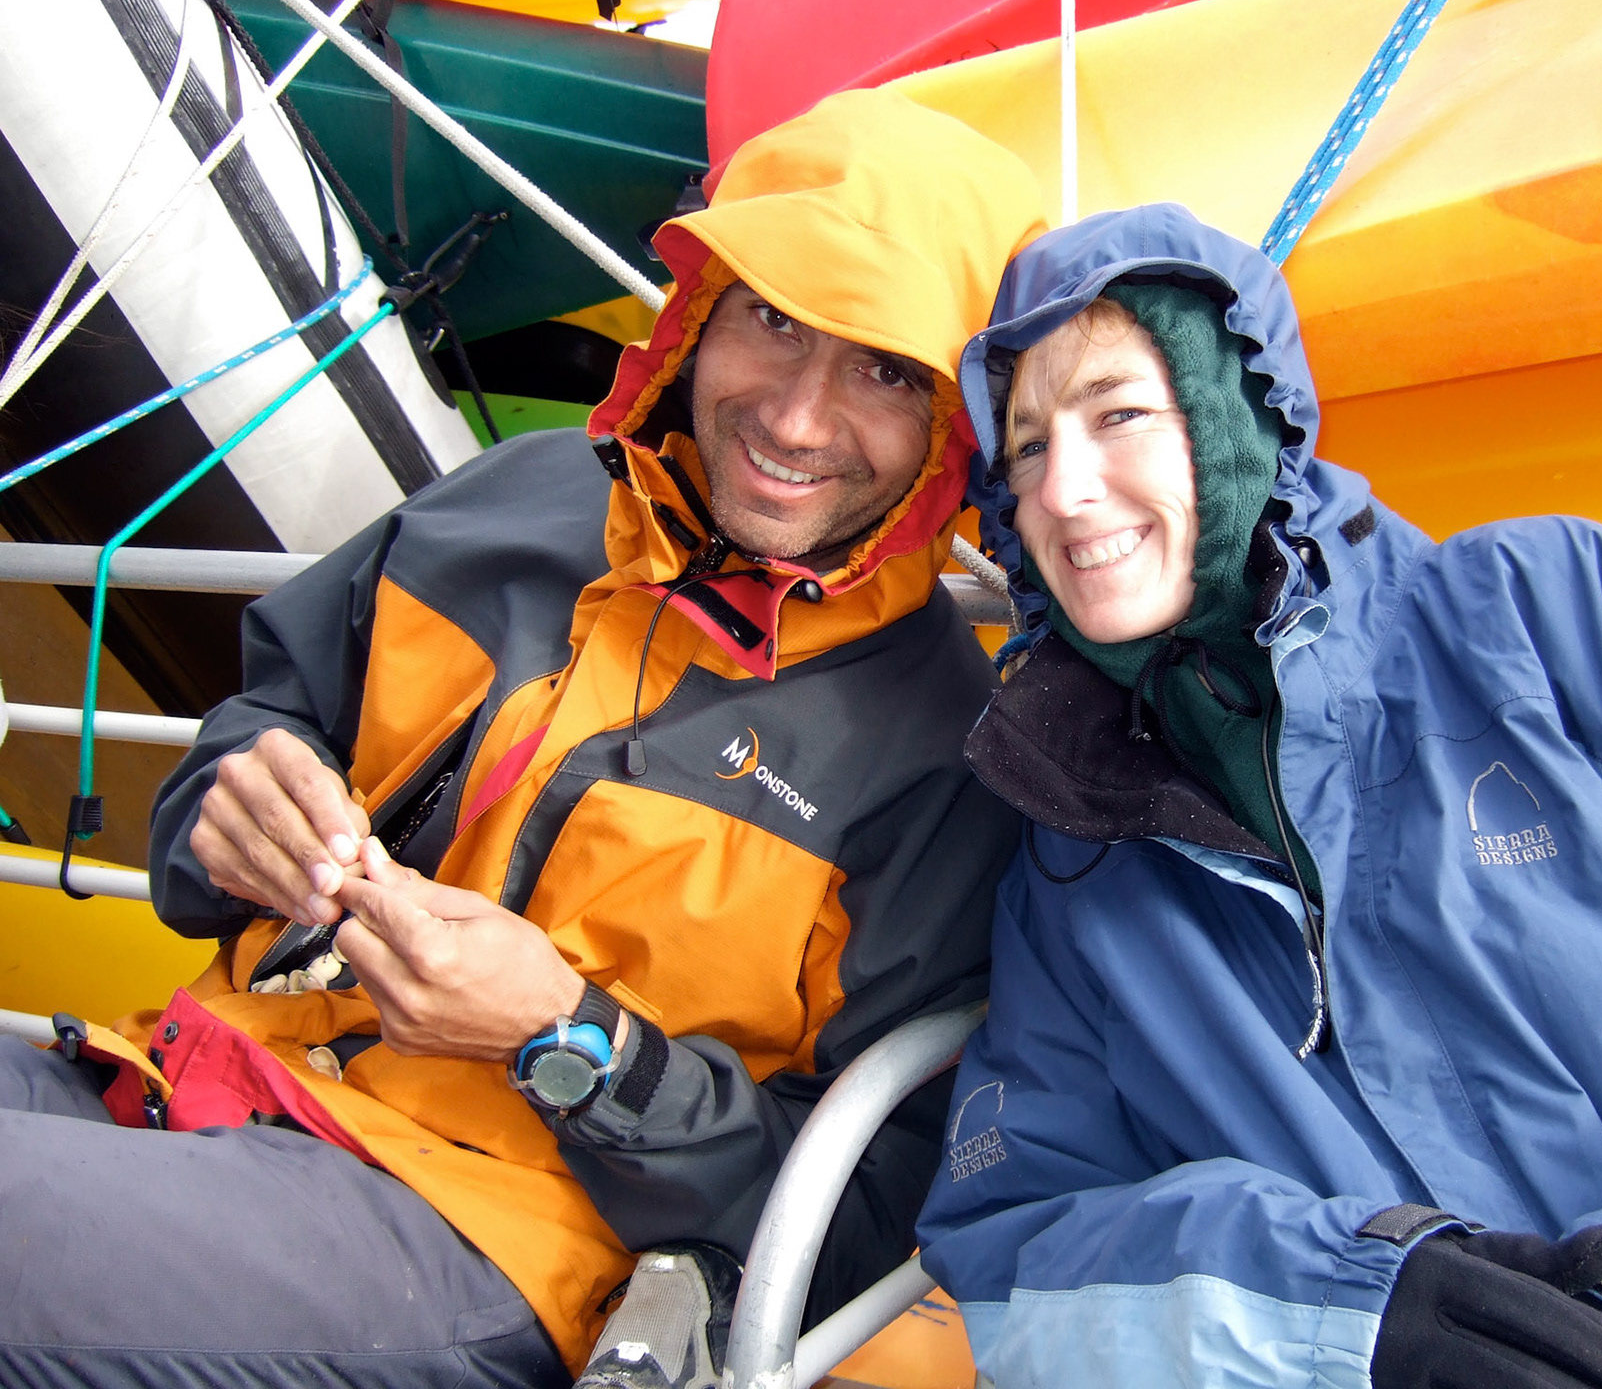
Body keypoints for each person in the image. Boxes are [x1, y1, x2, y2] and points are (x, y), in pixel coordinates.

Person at [0, 88, 1046, 1389]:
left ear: (959, 428)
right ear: (699, 311)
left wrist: (572, 1041)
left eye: (887, 370)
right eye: (773, 318)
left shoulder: (950, 763)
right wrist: (228, 809)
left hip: (480, 1242)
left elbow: (868, 1221)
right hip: (187, 1068)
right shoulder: (512, 500)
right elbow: (245, 758)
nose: (794, 418)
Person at [914, 203, 1602, 1389]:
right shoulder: (1072, 865)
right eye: (1028, 448)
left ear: (1239, 410)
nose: (1066, 492)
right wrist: (1356, 1313)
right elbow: (1019, 1239)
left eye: (1121, 413)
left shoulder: (1551, 614)